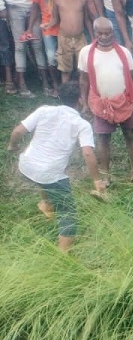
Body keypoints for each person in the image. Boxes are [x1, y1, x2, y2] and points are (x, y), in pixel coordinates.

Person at [7, 83, 106, 251]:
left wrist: (12, 146)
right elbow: (88, 153)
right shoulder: (82, 124)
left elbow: (17, 132)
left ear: (59, 96)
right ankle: (63, 254)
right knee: (67, 212)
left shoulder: (44, 110)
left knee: (44, 178)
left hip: (26, 166)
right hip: (49, 173)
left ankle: (46, 204)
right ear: (80, 100)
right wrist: (97, 180)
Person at [78, 17, 133, 184]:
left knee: (130, 135)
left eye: (108, 33)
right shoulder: (86, 52)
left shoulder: (124, 52)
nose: (104, 37)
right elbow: (84, 80)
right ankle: (105, 176)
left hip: (124, 102)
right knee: (103, 139)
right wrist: (85, 102)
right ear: (94, 33)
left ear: (113, 32)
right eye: (100, 33)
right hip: (101, 104)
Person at [47, 0, 90, 78]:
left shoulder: (82, 0)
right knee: (65, 69)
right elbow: (55, 18)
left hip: (80, 38)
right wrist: (47, 26)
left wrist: (92, 36)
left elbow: (87, 20)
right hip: (64, 38)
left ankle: (83, 93)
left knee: (83, 68)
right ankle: (64, 93)